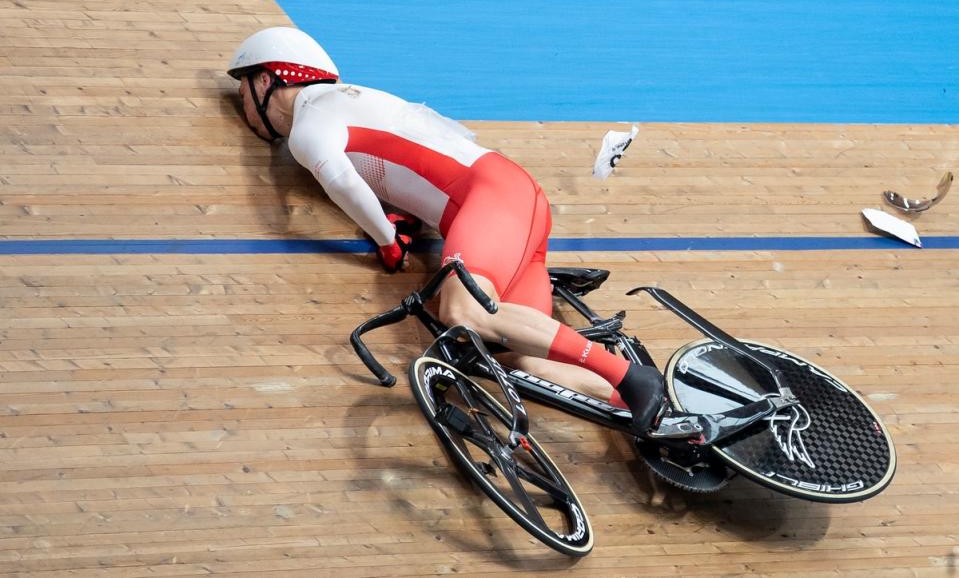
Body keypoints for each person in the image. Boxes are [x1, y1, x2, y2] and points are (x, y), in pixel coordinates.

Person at [227, 27, 664, 433]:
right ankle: (666, 418)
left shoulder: (310, 122)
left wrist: (387, 240)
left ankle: (628, 375)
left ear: (266, 81)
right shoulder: (344, 101)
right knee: (524, 360)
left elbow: (339, 178)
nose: (241, 105)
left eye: (242, 91)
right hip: (508, 202)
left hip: (488, 200)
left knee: (462, 313)